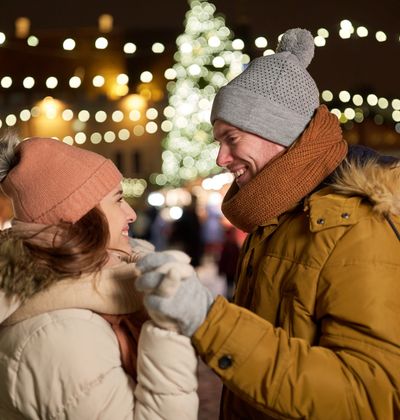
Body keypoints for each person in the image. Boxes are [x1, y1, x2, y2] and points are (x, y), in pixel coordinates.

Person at [135, 28, 400, 419]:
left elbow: (367, 394)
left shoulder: (357, 227)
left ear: (280, 132)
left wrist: (211, 321)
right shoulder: (277, 219)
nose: (221, 158)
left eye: (232, 138)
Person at [0, 134, 198, 419]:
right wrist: (166, 328)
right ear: (78, 218)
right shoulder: (61, 334)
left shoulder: (98, 298)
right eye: (118, 201)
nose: (131, 214)